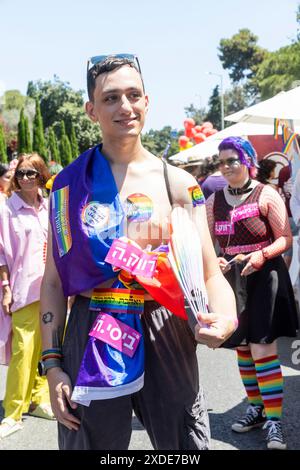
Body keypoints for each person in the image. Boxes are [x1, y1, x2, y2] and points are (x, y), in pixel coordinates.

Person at [40, 54, 237, 451]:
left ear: (148, 102)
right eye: (111, 98)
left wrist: (227, 316)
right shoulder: (67, 185)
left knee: (183, 443)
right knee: (90, 442)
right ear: (91, 110)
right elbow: (53, 280)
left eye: (133, 95)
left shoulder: (179, 184)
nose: (124, 107)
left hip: (163, 325)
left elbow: (210, 273)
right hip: (92, 322)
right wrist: (53, 365)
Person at [205, 137, 298, 450]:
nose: (227, 166)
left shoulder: (266, 193)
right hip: (233, 282)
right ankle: (257, 409)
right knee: (243, 349)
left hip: (265, 277)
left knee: (263, 350)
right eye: (222, 161)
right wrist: (214, 258)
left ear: (247, 161)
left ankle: (274, 422)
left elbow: (285, 238)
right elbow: (209, 244)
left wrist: (260, 255)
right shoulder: (213, 201)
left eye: (233, 160)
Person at [0, 153, 54, 440]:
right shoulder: (8, 208)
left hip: (53, 290)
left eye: (31, 173)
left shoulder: (49, 206)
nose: (24, 178)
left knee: (48, 349)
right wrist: (6, 288)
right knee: (23, 351)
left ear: (42, 175)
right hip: (22, 290)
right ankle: (13, 411)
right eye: (20, 173)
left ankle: (38, 398)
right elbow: (0, 252)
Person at [278, 164, 298, 269]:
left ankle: (285, 278)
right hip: (294, 214)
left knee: (288, 251)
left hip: (288, 214)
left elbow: (281, 191)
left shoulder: (283, 171)